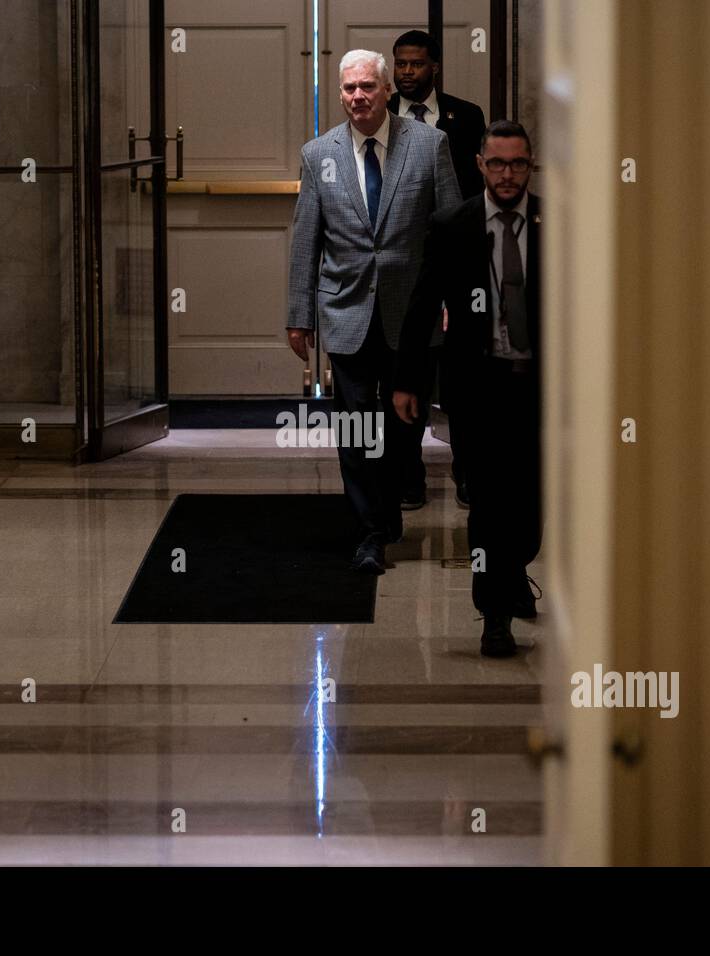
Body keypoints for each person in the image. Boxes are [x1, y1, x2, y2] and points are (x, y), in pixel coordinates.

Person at [286, 50, 461, 574]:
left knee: (404, 427)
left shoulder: (429, 145)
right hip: (346, 310)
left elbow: (450, 228)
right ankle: (368, 532)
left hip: (412, 313)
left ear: (387, 90)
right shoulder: (320, 154)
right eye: (348, 89)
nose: (357, 97)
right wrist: (300, 314)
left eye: (366, 87)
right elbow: (306, 239)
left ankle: (390, 511)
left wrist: (455, 298)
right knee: (358, 426)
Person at [392, 120, 541, 656]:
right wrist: (409, 380)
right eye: (497, 163)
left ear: (531, 164)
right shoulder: (453, 224)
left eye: (517, 163)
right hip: (478, 388)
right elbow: (422, 304)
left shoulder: (555, 224)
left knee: (530, 504)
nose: (507, 174)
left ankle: (516, 568)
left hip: (537, 389)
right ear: (479, 164)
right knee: (487, 502)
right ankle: (493, 612)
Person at [388, 29, 487, 510]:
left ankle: (467, 472)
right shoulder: (380, 114)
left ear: (435, 67)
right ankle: (408, 477)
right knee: (409, 371)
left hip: (457, 259)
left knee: (462, 376)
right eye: (400, 64)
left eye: (415, 64)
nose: (406, 72)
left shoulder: (465, 117)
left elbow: (473, 190)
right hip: (404, 263)